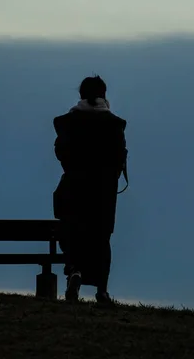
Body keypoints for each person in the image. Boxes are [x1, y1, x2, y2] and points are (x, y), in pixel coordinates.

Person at [53, 75, 128, 304]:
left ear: (81, 95)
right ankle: (101, 289)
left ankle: (75, 270)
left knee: (72, 232)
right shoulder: (114, 125)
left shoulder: (68, 123)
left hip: (74, 187)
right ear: (104, 95)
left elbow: (61, 153)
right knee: (102, 238)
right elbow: (119, 157)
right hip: (103, 191)